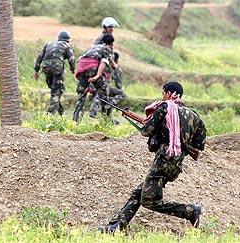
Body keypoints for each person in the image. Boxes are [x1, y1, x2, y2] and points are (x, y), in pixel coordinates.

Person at [101, 81, 207, 234]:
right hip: (175, 164)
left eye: (163, 93)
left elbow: (146, 130)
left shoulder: (165, 107)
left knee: (149, 201)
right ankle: (116, 226)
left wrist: (152, 126)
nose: (162, 97)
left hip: (163, 161)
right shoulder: (193, 115)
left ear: (169, 93)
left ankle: (189, 211)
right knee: (139, 192)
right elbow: (200, 143)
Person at [73, 34, 115, 121]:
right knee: (103, 91)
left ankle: (75, 120)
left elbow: (80, 59)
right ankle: (107, 120)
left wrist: (79, 73)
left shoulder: (93, 47)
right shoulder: (107, 49)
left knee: (81, 95)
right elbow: (104, 62)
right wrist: (97, 75)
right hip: (92, 68)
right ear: (111, 44)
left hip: (82, 68)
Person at [34, 30, 75, 115]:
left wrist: (36, 71)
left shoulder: (49, 44)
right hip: (57, 67)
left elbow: (39, 57)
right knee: (57, 90)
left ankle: (61, 112)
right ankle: (49, 114)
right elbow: (72, 59)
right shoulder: (67, 45)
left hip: (45, 67)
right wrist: (73, 70)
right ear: (68, 39)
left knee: (54, 90)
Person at [95, 16, 126, 107]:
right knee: (117, 70)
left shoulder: (107, 36)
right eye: (110, 27)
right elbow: (105, 53)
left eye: (112, 27)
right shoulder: (102, 38)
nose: (112, 29)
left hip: (106, 60)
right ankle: (119, 89)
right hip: (102, 62)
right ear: (105, 27)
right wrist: (113, 63)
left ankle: (117, 89)